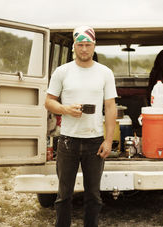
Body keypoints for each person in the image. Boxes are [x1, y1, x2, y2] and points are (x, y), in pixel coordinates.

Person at [45, 26, 117, 227]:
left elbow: (110, 107)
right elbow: (49, 101)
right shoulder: (62, 71)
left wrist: (108, 140)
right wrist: (66, 109)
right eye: (80, 45)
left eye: (88, 45)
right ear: (74, 46)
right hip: (68, 140)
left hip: (95, 141)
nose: (84, 49)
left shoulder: (105, 73)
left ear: (94, 46)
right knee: (64, 195)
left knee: (93, 196)